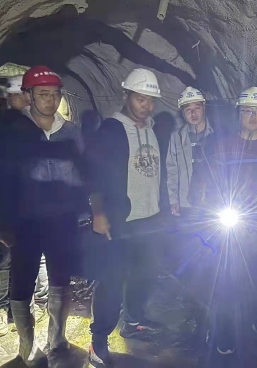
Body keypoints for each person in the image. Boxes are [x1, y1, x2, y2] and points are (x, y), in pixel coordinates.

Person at [0, 66, 87, 367]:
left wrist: (83, 211)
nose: (50, 100)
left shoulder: (72, 133)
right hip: (26, 223)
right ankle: (27, 347)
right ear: (29, 96)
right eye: (43, 94)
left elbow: (83, 174)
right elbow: (1, 178)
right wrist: (2, 223)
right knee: (22, 283)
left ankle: (57, 340)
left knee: (61, 281)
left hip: (62, 222)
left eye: (55, 94)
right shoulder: (12, 133)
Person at [87, 68, 167, 367]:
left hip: (149, 220)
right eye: (140, 98)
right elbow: (93, 175)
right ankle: (98, 342)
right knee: (110, 282)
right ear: (127, 96)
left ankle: (133, 322)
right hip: (121, 220)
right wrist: (98, 213)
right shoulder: (110, 130)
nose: (145, 105)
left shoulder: (152, 128)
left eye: (150, 100)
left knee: (143, 276)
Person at [209, 87, 257, 355]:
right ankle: (225, 333)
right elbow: (215, 180)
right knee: (228, 280)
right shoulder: (224, 144)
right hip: (230, 222)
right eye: (249, 111)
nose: (253, 117)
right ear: (239, 113)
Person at [0, 75, 49, 339]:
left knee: (32, 258)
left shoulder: (34, 127)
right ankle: (1, 307)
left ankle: (36, 304)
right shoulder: (5, 127)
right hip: (9, 206)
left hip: (29, 208)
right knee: (3, 259)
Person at [167, 87, 213, 216]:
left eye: (197, 108)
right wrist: (173, 200)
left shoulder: (218, 134)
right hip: (186, 203)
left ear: (204, 107)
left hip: (213, 203)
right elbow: (172, 170)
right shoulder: (176, 137)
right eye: (188, 110)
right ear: (182, 112)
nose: (193, 114)